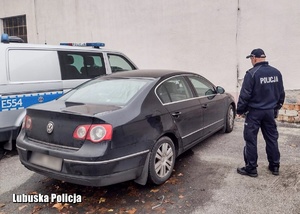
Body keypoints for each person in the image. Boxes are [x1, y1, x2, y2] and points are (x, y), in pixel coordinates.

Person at [236, 48, 285, 177]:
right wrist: (276, 108)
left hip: (254, 113)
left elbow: (245, 95)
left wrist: (240, 110)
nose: (251, 61)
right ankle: (275, 166)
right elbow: (281, 94)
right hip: (269, 112)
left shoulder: (252, 73)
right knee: (272, 139)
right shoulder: (276, 73)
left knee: (251, 140)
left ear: (254, 58)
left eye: (251, 59)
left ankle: (251, 168)